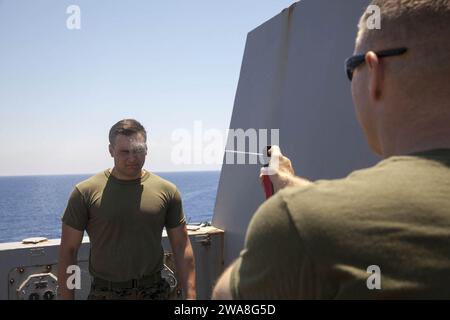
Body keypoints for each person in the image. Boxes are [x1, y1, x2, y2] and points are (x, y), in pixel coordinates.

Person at [213, 0, 450, 299]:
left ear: (376, 73)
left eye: (352, 69)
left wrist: (295, 213)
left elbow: (224, 298)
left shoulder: (296, 221)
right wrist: (294, 189)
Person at [57, 119, 196, 300]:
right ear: (111, 150)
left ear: (146, 149)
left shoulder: (167, 191)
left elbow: (181, 245)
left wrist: (191, 296)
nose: (132, 158)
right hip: (105, 293)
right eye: (124, 152)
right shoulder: (85, 192)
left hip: (155, 292)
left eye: (138, 150)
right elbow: (69, 251)